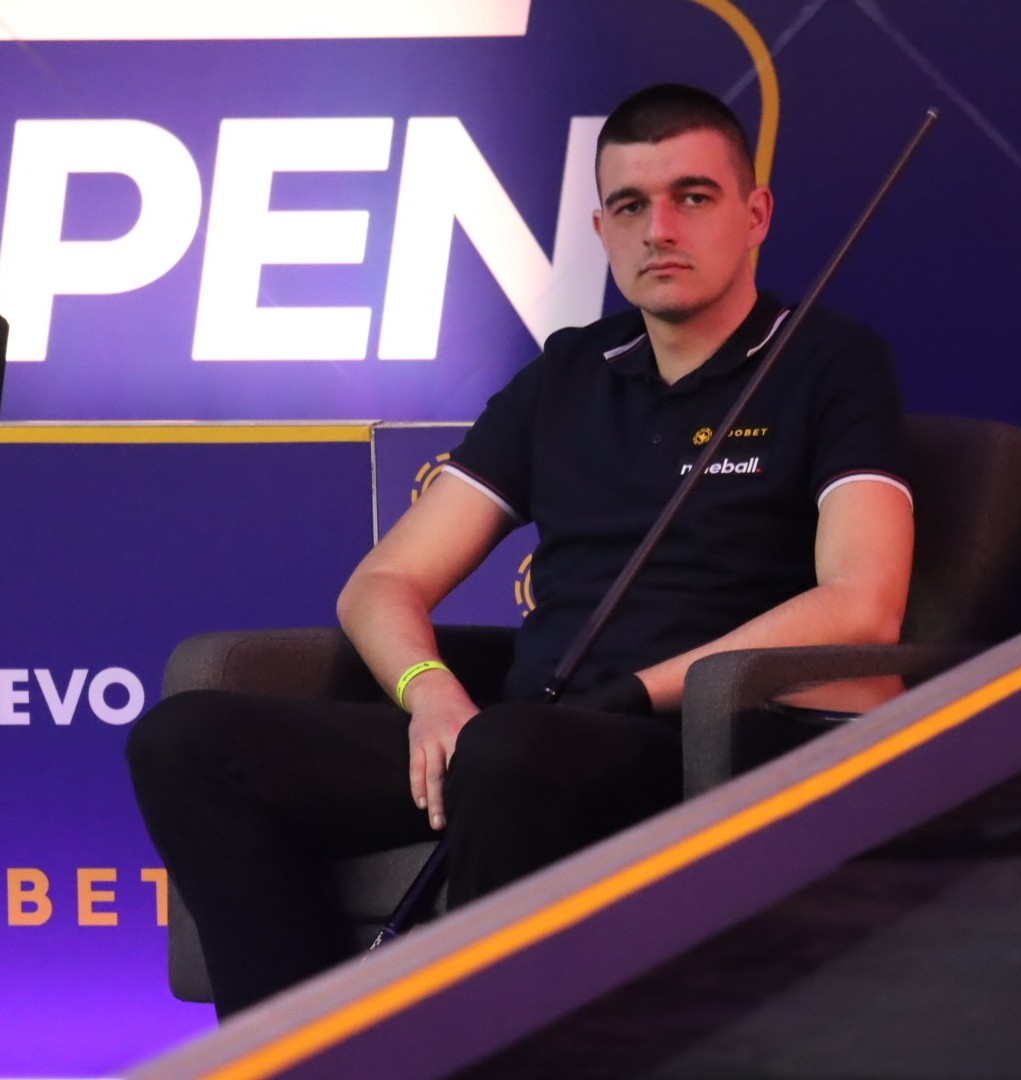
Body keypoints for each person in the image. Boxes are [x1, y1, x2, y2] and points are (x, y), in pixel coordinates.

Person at [127, 83, 914, 1019]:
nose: (660, 228)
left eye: (693, 196)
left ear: (755, 215)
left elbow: (862, 603)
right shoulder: (569, 372)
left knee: (511, 751)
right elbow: (384, 581)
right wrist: (431, 695)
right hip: (514, 736)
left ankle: (473, 1050)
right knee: (188, 741)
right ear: (602, 229)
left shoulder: (830, 362)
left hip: (697, 741)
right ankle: (299, 1047)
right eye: (631, 205)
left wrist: (637, 693)